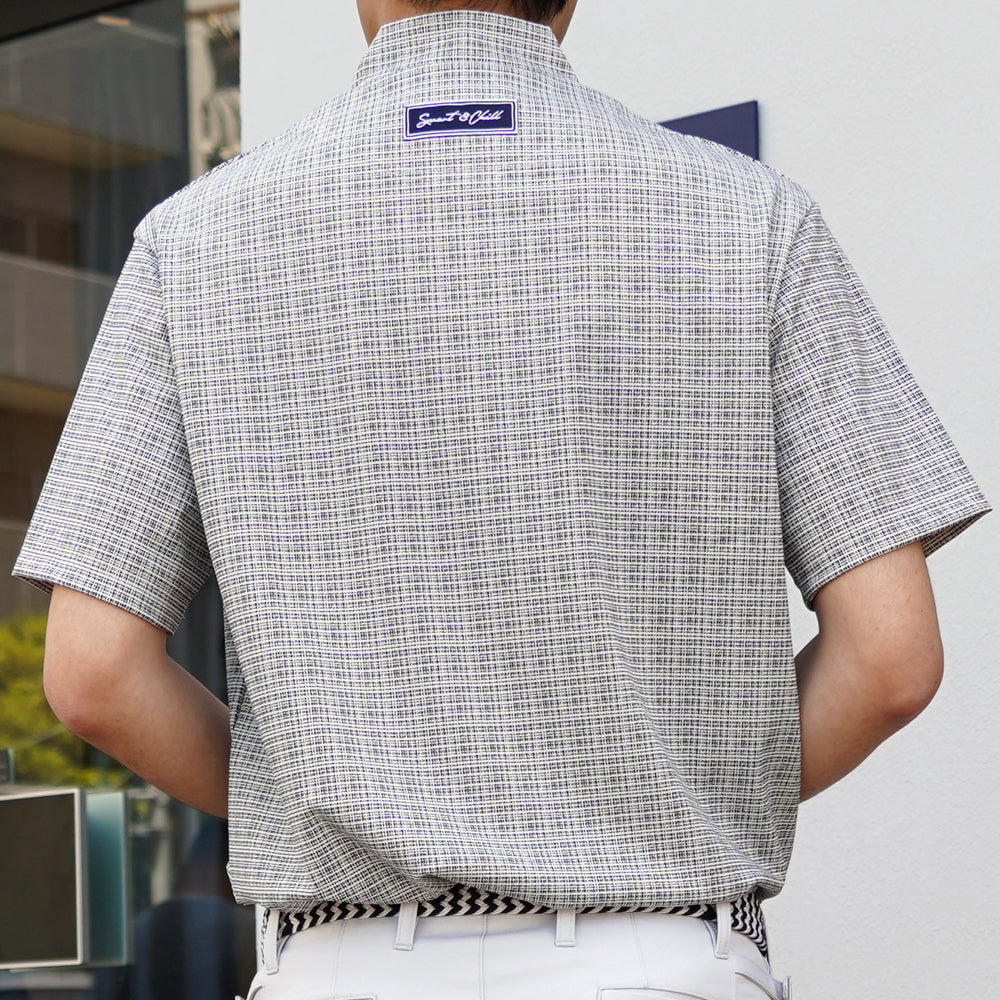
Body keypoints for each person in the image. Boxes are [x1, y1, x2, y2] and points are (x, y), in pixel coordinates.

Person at [14, 1, 989, 998]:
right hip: (656, 959)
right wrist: (681, 809)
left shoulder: (193, 241)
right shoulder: (751, 215)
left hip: (341, 969)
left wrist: (314, 811)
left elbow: (94, 671)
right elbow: (889, 658)